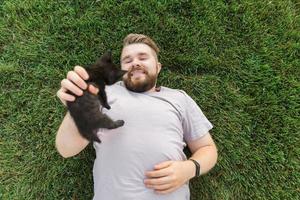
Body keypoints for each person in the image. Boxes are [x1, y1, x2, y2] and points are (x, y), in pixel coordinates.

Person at [56, 33, 218, 200]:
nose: (135, 63)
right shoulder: (102, 93)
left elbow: (207, 148)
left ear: (158, 66)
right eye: (127, 60)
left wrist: (189, 169)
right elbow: (66, 149)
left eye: (143, 57)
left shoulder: (179, 99)